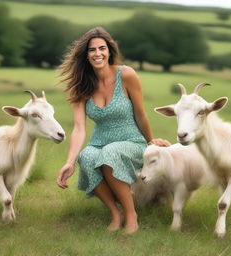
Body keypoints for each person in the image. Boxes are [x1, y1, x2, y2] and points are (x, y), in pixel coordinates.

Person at [57, 27, 170, 234]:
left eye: (102, 48)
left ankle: (131, 215)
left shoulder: (126, 75)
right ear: (86, 54)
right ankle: (115, 214)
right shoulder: (81, 85)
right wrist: (69, 162)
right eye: (92, 50)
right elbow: (79, 128)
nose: (97, 53)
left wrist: (151, 140)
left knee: (110, 154)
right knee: (88, 156)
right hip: (99, 142)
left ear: (109, 51)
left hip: (132, 141)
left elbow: (141, 114)